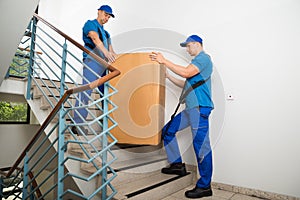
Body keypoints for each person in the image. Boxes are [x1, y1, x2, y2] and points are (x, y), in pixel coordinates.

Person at [150, 35, 214, 199]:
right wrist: (169, 77)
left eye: (188, 46)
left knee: (201, 146)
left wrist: (164, 60)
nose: (187, 49)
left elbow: (186, 73)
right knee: (168, 131)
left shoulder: (203, 59)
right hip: (191, 108)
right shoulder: (196, 64)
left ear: (196, 44)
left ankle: (205, 186)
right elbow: (185, 83)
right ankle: (177, 164)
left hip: (199, 108)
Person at [72, 5, 117, 135]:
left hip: (104, 66)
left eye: (109, 16)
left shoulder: (107, 33)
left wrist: (115, 58)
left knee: (106, 95)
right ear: (99, 12)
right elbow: (94, 38)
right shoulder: (90, 24)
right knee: (86, 91)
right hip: (92, 62)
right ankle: (77, 124)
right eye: (106, 15)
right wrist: (106, 54)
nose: (107, 18)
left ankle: (105, 124)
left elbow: (112, 51)